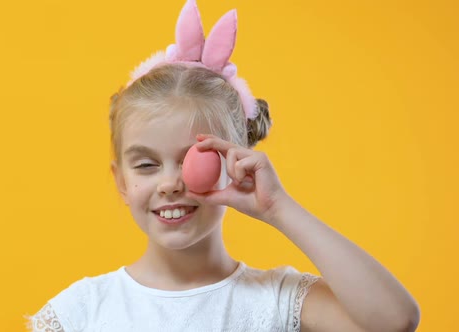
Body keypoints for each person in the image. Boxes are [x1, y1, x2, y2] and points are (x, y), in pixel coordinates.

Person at [26, 1, 420, 331]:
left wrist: (278, 208)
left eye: (192, 159)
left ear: (235, 163)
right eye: (146, 164)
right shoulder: (79, 312)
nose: (169, 183)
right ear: (121, 181)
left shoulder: (277, 300)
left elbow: (395, 320)